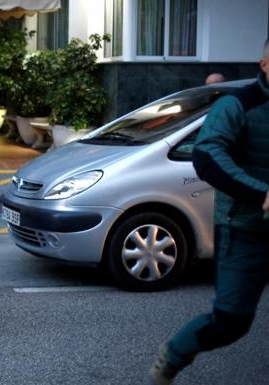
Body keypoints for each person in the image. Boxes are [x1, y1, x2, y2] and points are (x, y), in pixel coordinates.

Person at [149, 40, 269, 384]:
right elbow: (207, 157)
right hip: (244, 229)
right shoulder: (238, 105)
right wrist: (260, 193)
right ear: (263, 64)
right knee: (231, 320)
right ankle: (174, 354)